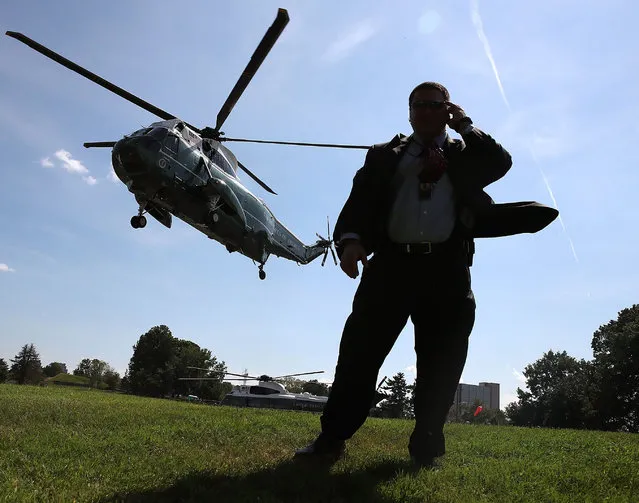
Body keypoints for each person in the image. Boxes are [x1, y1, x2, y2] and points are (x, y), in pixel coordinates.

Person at [294, 81, 558, 468]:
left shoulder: (464, 154)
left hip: (446, 270)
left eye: (434, 104)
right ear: (409, 111)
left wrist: (467, 125)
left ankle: (426, 448)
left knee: (441, 362)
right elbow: (360, 201)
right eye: (416, 105)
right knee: (359, 355)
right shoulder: (385, 154)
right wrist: (351, 242)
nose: (424, 111)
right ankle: (331, 439)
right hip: (389, 268)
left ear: (448, 109)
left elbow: (499, 162)